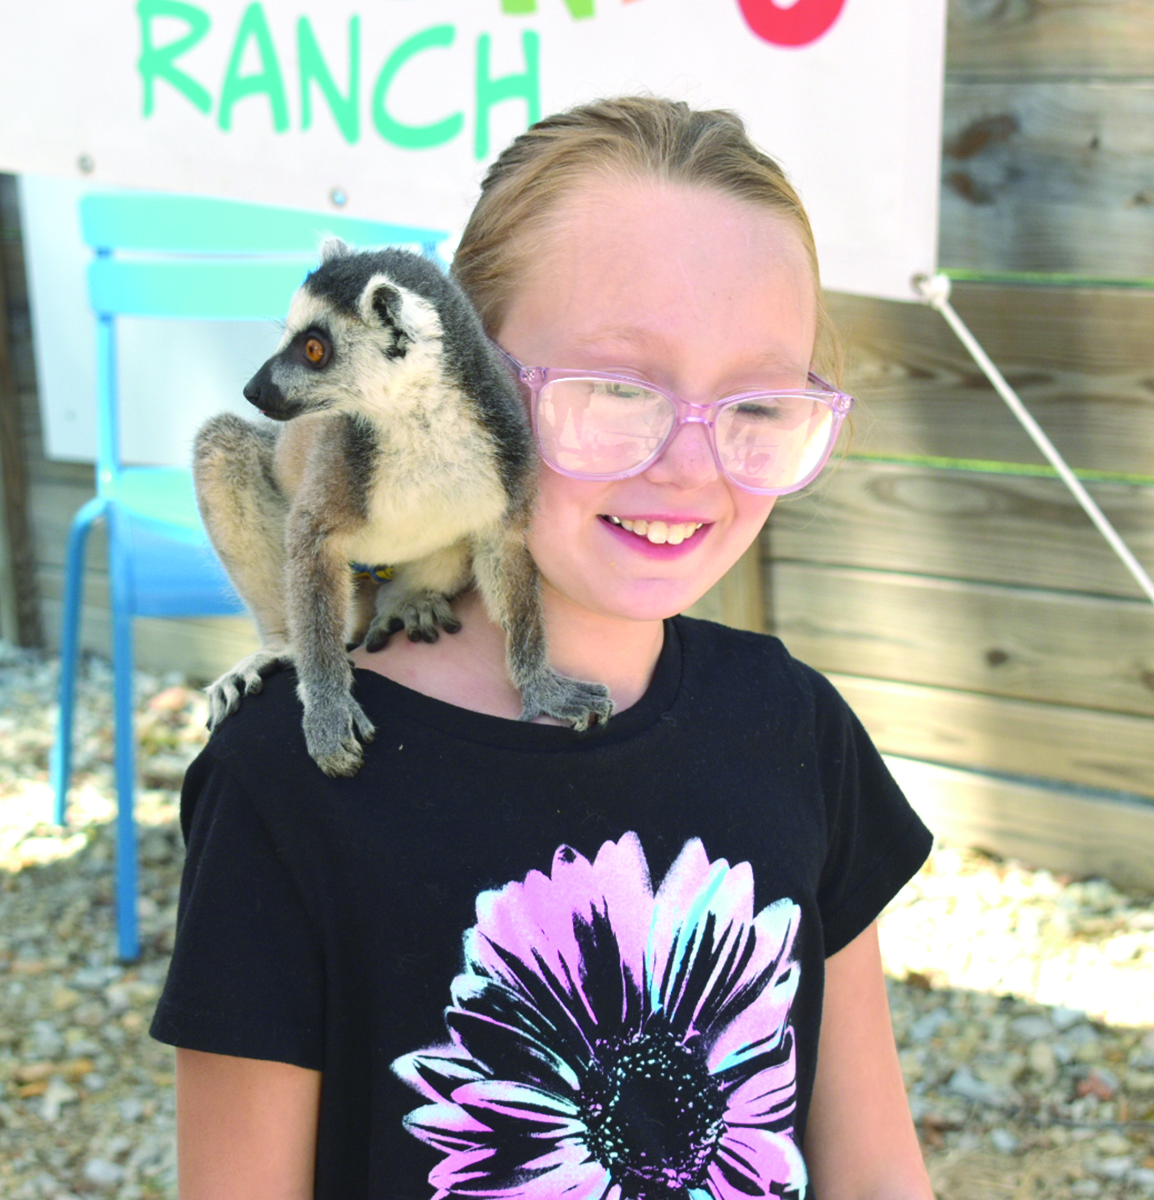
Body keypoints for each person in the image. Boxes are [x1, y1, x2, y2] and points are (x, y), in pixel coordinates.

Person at [150, 96, 936, 1199]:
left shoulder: (796, 733)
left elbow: (873, 1165)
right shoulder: (289, 786)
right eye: (615, 390)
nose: (689, 466)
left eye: (757, 402)